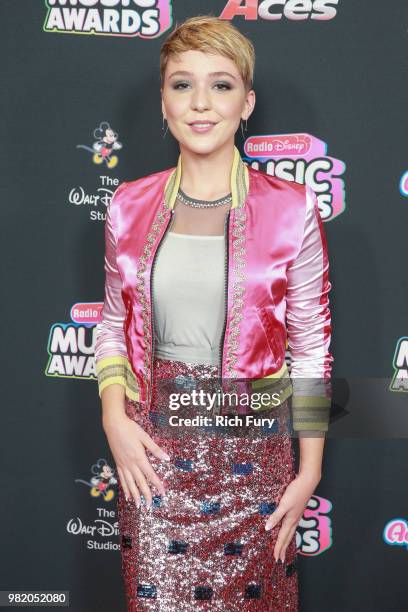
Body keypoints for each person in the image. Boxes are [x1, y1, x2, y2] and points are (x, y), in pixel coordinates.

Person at [94, 14, 333, 611]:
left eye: (221, 85)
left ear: (246, 102)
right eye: (183, 84)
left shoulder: (291, 208)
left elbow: (310, 345)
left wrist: (308, 473)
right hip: (151, 455)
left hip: (256, 450)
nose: (201, 103)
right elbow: (111, 326)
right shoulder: (129, 205)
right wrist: (113, 420)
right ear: (164, 102)